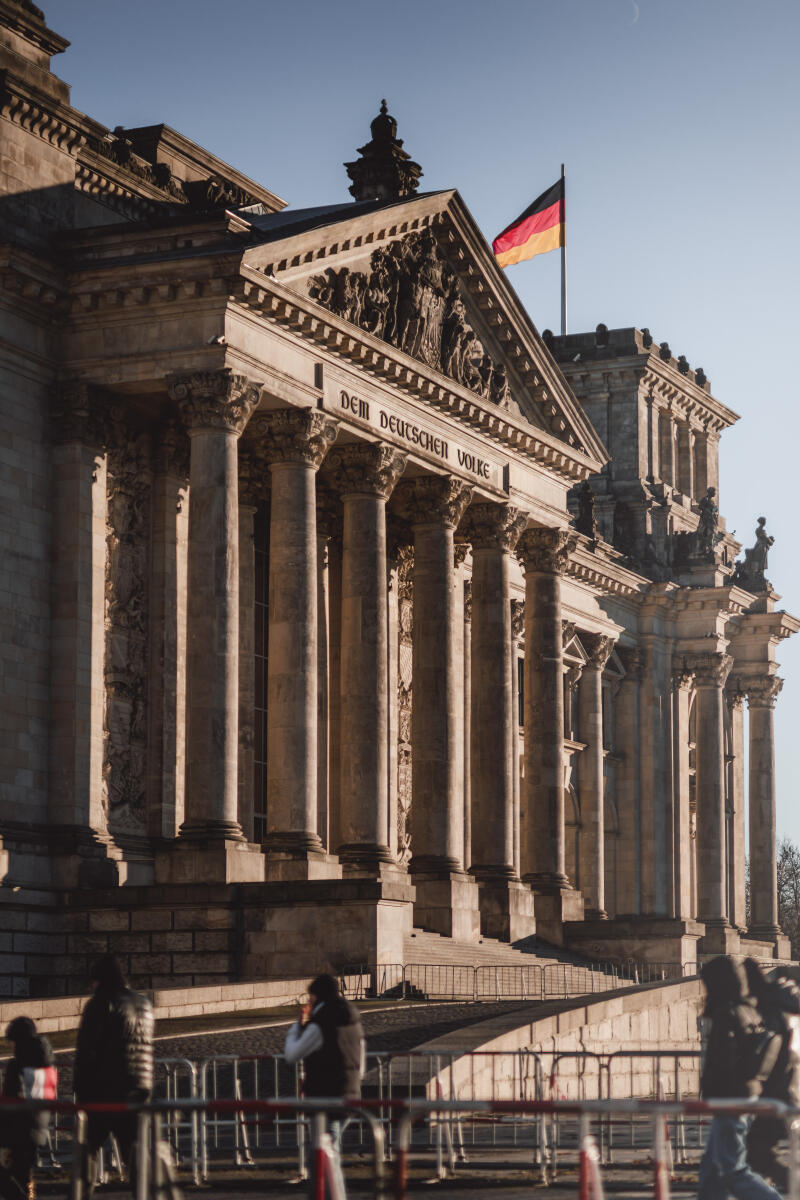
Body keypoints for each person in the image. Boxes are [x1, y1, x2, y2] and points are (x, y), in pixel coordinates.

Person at [697, 955, 783, 1200]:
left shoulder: (728, 1013)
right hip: (744, 1095)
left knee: (733, 1169)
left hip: (730, 1099)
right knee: (712, 1169)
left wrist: (711, 1090)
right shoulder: (749, 1009)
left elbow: (721, 1061)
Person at [74, 955, 154, 1198]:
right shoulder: (144, 1004)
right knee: (136, 1151)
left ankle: (80, 1194)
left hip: (104, 1090)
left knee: (86, 1151)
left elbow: (87, 1050)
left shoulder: (101, 1002)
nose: (91, 986)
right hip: (138, 1089)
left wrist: (80, 1091)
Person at [284, 973, 365, 1197]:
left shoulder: (320, 1023)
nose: (308, 1001)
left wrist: (297, 1027)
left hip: (325, 1097)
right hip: (350, 1094)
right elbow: (362, 1064)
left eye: (310, 996)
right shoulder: (353, 1019)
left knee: (322, 1155)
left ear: (316, 996)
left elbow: (292, 1054)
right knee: (329, 1151)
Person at [742, 958, 800, 1189]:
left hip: (778, 1090)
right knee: (759, 1152)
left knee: (758, 1153)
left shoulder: (770, 1009)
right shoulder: (787, 1007)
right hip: (788, 1087)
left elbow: (769, 1054)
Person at [0, 1017, 57, 1200]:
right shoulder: (47, 1064)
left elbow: (9, 1100)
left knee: (10, 1177)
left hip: (15, 1129)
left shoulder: (17, 1066)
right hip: (38, 1129)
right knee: (23, 1174)